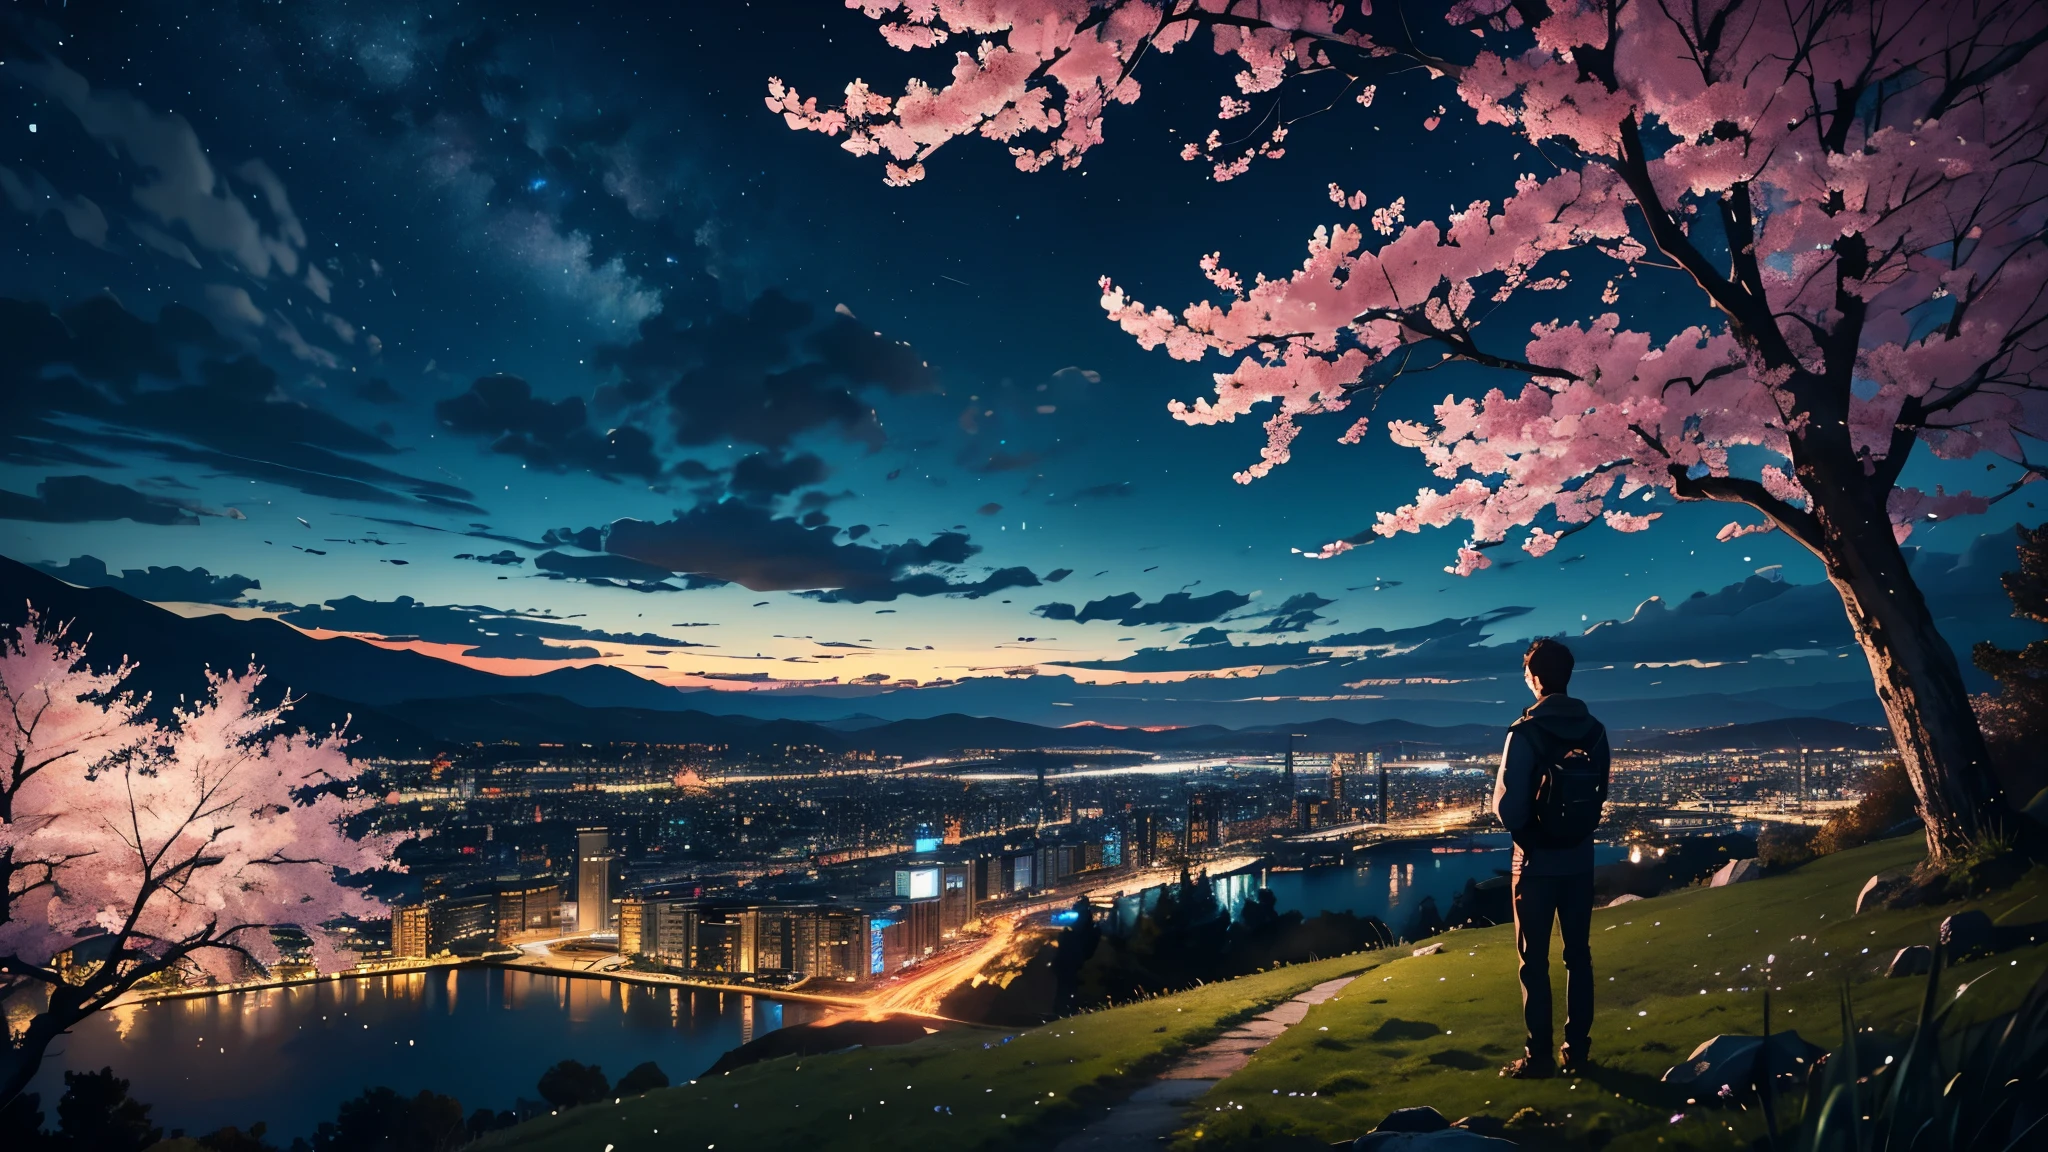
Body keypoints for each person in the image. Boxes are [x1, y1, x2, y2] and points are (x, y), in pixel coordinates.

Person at [1492, 637, 1610, 1079]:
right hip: (1580, 860)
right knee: (1579, 957)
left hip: (1535, 863)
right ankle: (1577, 1051)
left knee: (1533, 961)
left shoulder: (1525, 732)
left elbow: (1508, 810)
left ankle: (1537, 1056)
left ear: (1535, 679)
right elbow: (1599, 796)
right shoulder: (1595, 730)